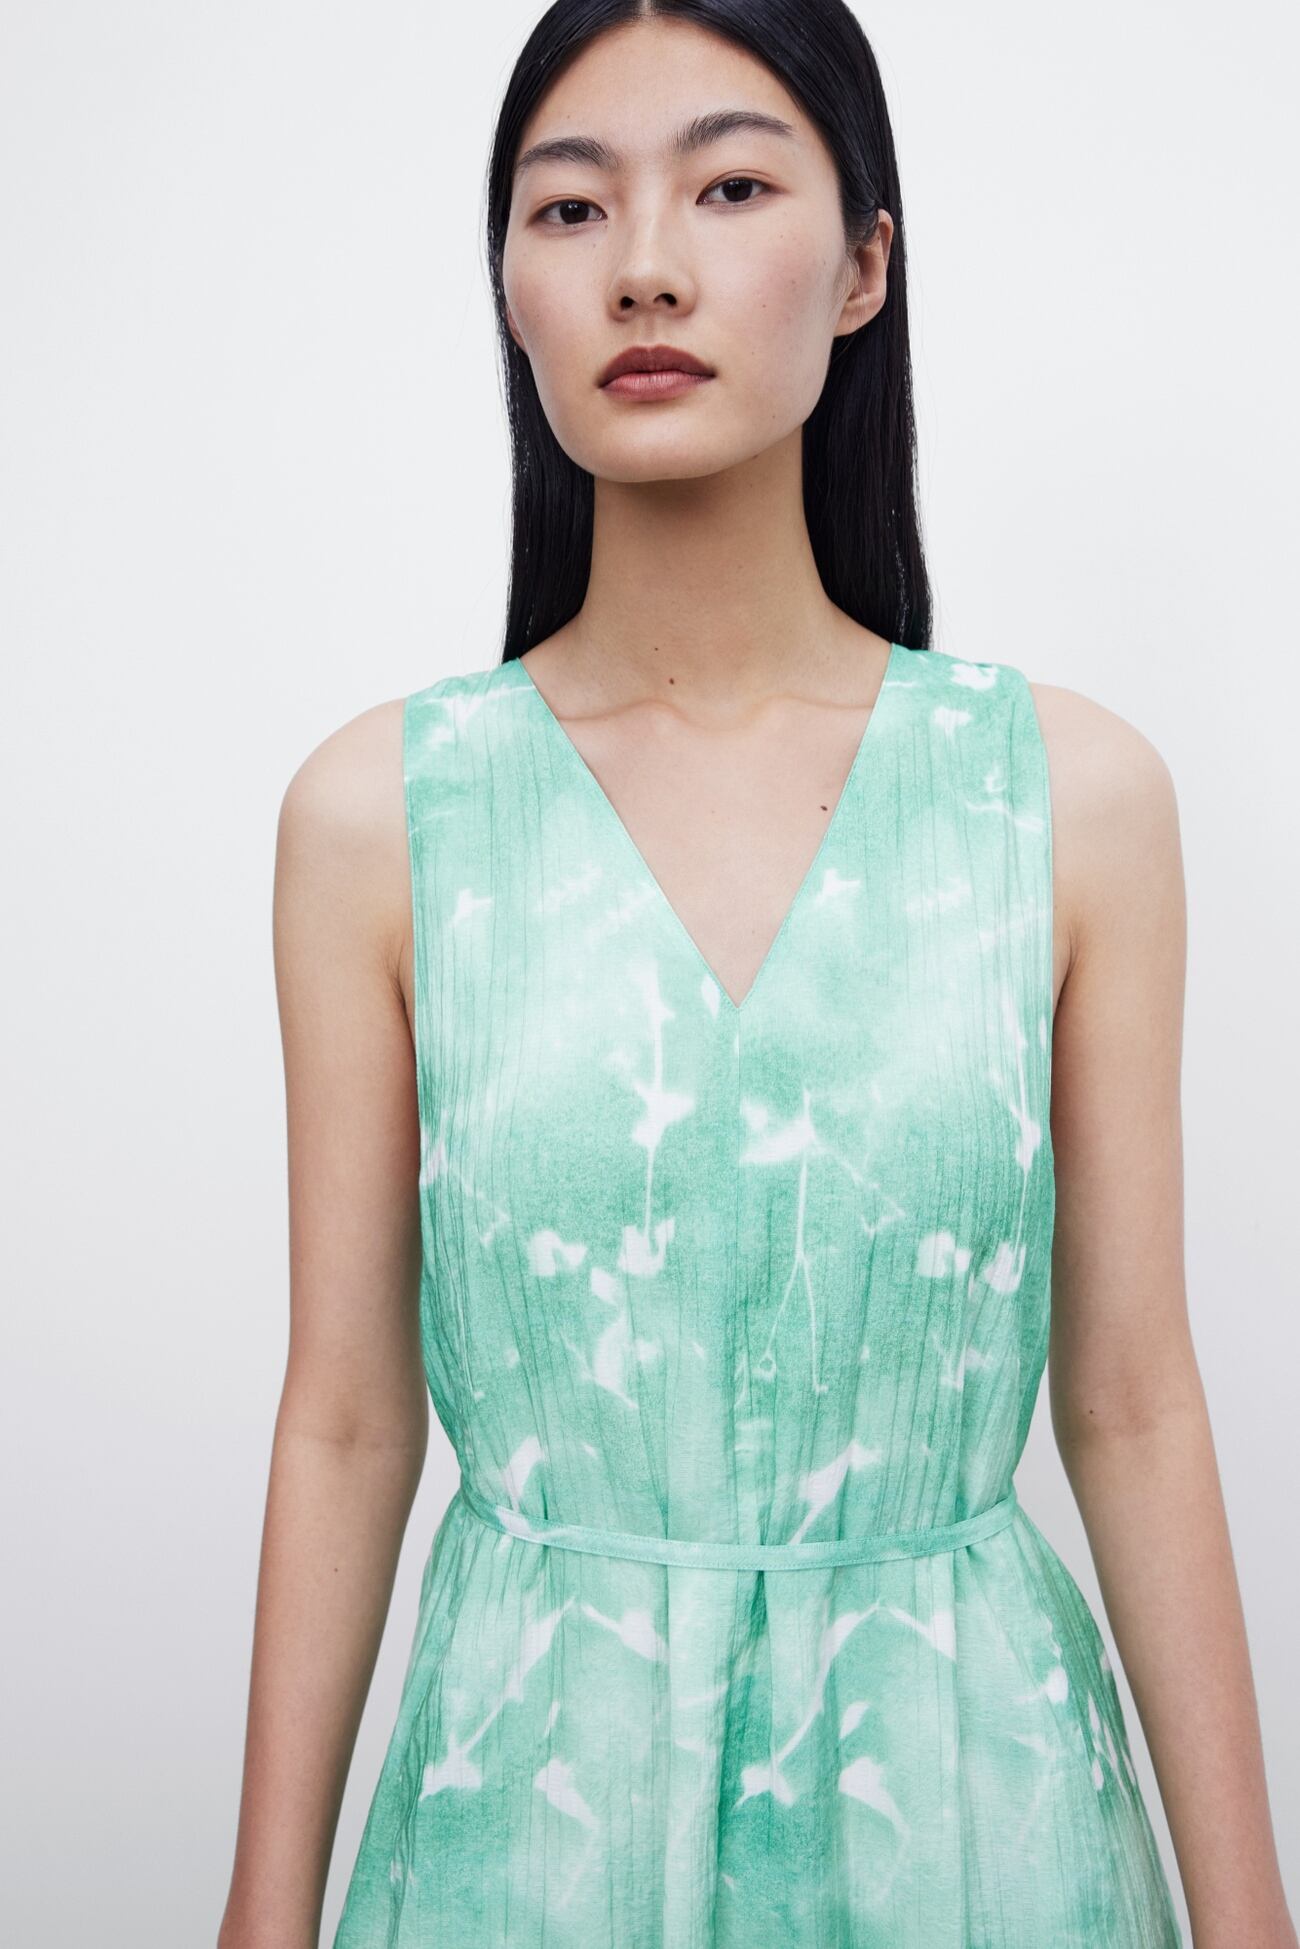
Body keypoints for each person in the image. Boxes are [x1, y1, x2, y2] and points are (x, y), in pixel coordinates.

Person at [218, 5, 1296, 1947]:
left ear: (864, 264)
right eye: (570, 208)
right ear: (508, 285)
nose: (645, 265)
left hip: (976, 1827)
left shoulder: (1067, 795)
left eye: (727, 187)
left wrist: (1250, 1917)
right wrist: (258, 1916)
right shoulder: (382, 818)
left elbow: (1133, 1405)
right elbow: (350, 1418)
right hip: (525, 1838)